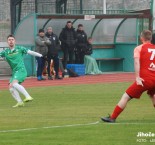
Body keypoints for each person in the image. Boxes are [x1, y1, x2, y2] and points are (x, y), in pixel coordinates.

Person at [101, 30, 155, 123]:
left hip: (144, 79)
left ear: (141, 38)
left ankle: (112, 118)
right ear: (150, 38)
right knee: (153, 96)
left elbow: (137, 62)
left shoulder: (139, 48)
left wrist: (137, 77)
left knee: (126, 96)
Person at [0, 34, 42, 107]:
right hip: (14, 72)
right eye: (9, 40)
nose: (11, 41)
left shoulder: (20, 48)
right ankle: (19, 102)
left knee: (14, 84)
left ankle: (28, 96)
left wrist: (40, 55)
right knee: (11, 87)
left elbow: (30, 52)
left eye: (12, 40)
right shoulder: (5, 52)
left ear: (15, 41)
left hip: (21, 70)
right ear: (7, 42)